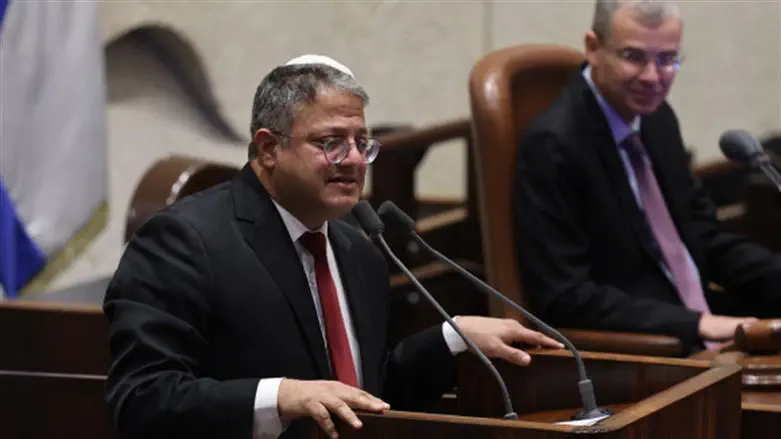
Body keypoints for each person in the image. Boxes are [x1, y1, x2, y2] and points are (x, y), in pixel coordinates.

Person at [103, 54, 563, 439]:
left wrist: (453, 338)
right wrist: (280, 396)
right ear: (268, 148)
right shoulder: (183, 241)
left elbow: (366, 394)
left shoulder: (356, 249)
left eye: (362, 143)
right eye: (331, 143)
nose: (355, 160)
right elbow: (141, 400)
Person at [512, 0, 781, 356]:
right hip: (639, 351)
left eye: (667, 59)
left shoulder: (657, 118)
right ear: (593, 48)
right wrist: (696, 323)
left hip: (698, 325)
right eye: (633, 57)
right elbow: (566, 296)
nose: (653, 77)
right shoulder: (553, 144)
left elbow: (702, 237)